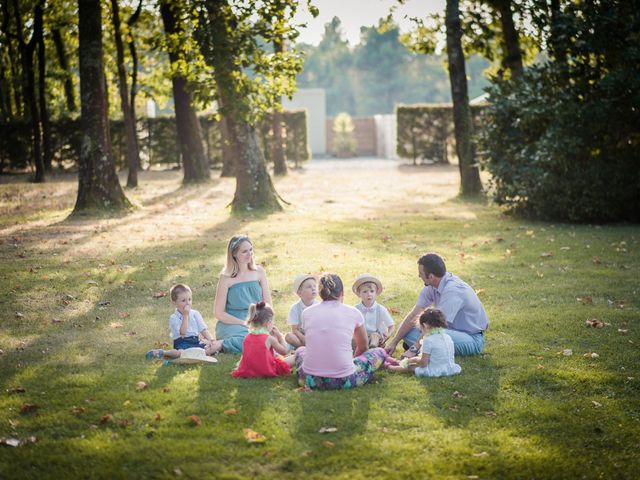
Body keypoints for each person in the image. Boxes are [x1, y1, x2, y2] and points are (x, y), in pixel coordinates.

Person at [294, 273, 390, 390]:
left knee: (300, 350)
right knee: (379, 352)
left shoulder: (306, 313)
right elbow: (363, 347)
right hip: (344, 380)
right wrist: (352, 363)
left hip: (309, 379)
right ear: (342, 293)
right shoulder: (353, 313)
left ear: (320, 294)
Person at [385, 253, 488, 357]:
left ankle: (427, 349)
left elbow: (435, 325)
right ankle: (428, 348)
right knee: (408, 332)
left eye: (420, 273)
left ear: (430, 276)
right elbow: (414, 314)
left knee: (431, 336)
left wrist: (413, 349)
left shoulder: (453, 291)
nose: (419, 276)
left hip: (471, 338)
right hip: (447, 331)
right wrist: (394, 342)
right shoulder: (431, 285)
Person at [214, 235, 271, 354]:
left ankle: (224, 344)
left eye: (251, 249)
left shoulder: (259, 272)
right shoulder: (226, 277)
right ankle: (222, 344)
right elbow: (219, 313)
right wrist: (243, 323)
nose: (249, 254)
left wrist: (267, 322)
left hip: (257, 319)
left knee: (271, 341)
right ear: (234, 254)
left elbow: (268, 304)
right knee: (250, 341)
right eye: (244, 251)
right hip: (232, 322)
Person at [146, 283, 222, 360]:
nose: (188, 303)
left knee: (217, 345)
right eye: (183, 301)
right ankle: (164, 353)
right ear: (174, 303)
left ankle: (200, 352)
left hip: (195, 341)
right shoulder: (174, 318)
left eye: (189, 299)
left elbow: (203, 330)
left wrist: (211, 340)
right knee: (179, 353)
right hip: (182, 342)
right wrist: (185, 316)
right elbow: (182, 333)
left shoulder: (195, 313)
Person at [387, 308, 461, 377]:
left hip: (435, 370)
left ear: (425, 326)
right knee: (414, 364)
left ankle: (390, 367)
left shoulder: (429, 340)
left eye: (420, 328)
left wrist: (412, 360)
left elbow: (423, 364)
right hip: (449, 368)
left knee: (411, 367)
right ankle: (397, 363)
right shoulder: (447, 337)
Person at [232, 302, 293, 378]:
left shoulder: (247, 336)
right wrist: (280, 337)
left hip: (249, 371)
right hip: (267, 370)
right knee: (294, 357)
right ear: (268, 323)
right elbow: (285, 352)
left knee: (275, 356)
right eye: (272, 322)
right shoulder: (269, 339)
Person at [352, 274, 395, 348]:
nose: (369, 294)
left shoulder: (380, 309)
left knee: (374, 336)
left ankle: (372, 349)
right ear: (359, 294)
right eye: (365, 292)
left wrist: (387, 335)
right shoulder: (356, 309)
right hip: (361, 336)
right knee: (353, 338)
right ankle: (357, 351)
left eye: (372, 291)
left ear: (376, 293)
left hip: (376, 336)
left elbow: (391, 325)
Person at [284, 274, 319, 349]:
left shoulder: (319, 306)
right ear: (300, 293)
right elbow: (295, 329)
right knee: (289, 336)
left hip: (316, 335)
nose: (313, 289)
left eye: (314, 286)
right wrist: (303, 338)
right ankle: (306, 348)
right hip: (302, 337)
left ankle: (310, 348)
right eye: (309, 287)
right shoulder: (295, 308)